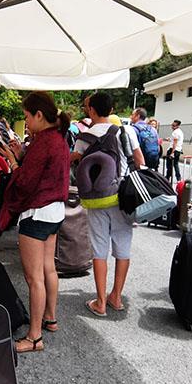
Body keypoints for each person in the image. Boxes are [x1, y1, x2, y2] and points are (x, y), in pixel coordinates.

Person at [0, 91, 70, 354]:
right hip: (55, 212)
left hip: (38, 213)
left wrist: (15, 164)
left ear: (39, 115)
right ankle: (50, 319)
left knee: (34, 277)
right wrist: (22, 156)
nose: (26, 122)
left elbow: (26, 181)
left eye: (27, 116)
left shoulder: (43, 141)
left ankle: (34, 337)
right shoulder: (58, 139)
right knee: (48, 269)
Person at [71, 92, 144, 318]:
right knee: (123, 247)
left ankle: (100, 302)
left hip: (96, 198)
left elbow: (73, 161)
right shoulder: (126, 131)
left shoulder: (85, 136)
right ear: (112, 110)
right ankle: (116, 297)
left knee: (99, 248)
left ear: (92, 110)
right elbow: (140, 162)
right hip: (123, 196)